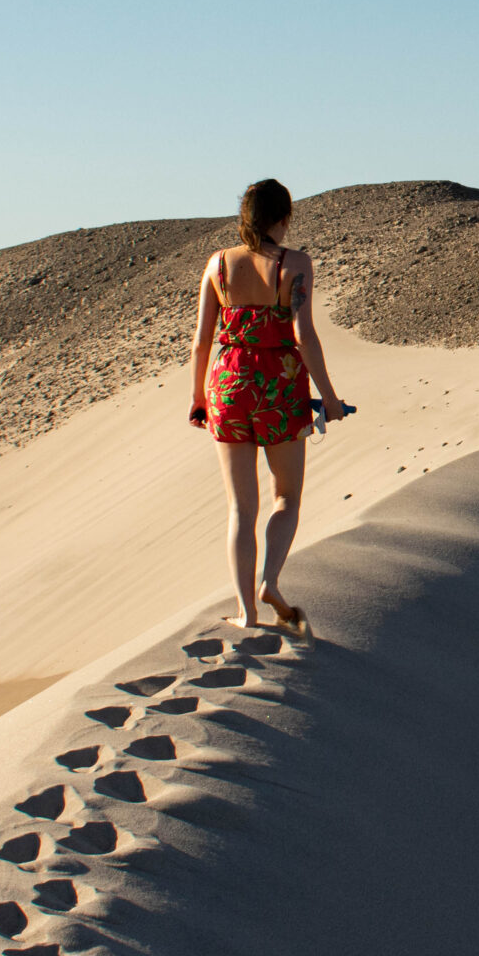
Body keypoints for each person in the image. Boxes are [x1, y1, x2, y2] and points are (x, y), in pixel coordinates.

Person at [189, 178, 346, 633]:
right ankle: (269, 580)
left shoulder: (217, 265)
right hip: (279, 385)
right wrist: (329, 398)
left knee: (241, 506)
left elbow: (201, 341)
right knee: (286, 496)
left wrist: (199, 398)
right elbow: (304, 335)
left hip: (229, 383)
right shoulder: (295, 264)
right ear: (284, 217)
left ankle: (245, 612)